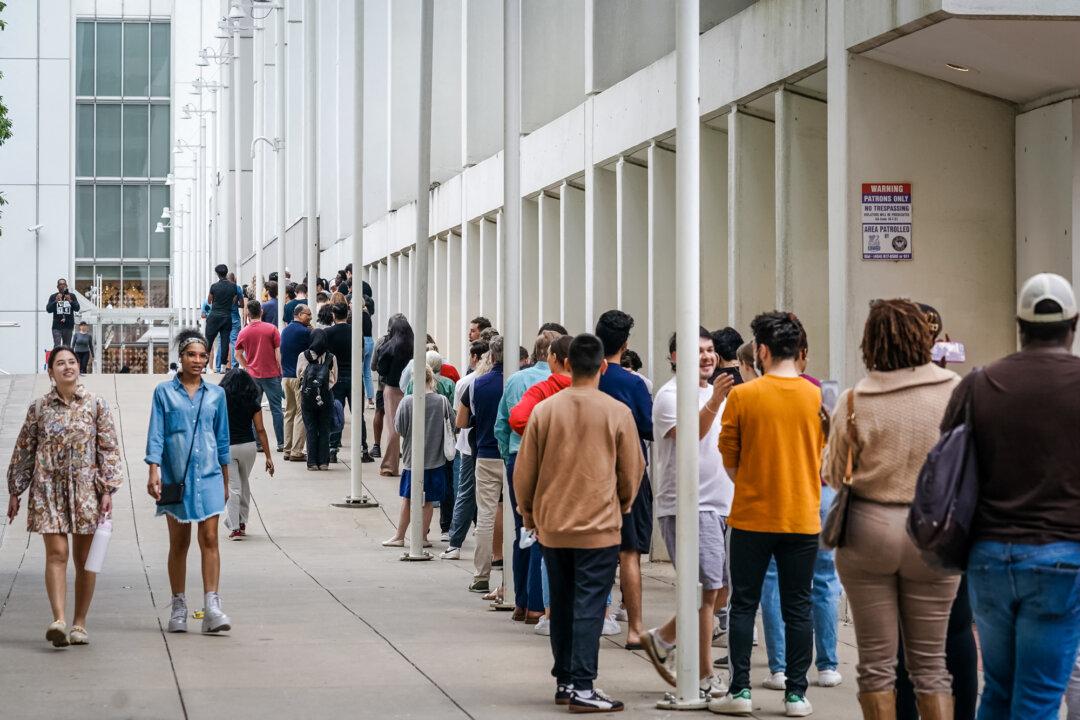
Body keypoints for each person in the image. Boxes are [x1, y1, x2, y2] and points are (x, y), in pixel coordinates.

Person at [940, 273, 1080, 720]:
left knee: (998, 689)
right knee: (1038, 697)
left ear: (1019, 325)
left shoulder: (980, 384)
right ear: (1073, 324)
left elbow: (947, 455)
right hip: (1061, 558)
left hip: (989, 557)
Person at [822, 299, 961, 720]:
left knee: (876, 667)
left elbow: (831, 474)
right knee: (932, 666)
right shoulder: (955, 389)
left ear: (871, 343)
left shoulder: (853, 400)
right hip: (934, 531)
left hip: (868, 529)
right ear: (924, 338)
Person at [514, 333, 645, 713]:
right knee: (589, 603)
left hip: (553, 526)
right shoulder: (617, 412)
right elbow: (631, 472)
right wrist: (620, 505)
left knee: (563, 600)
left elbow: (525, 471)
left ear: (567, 364)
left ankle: (565, 681)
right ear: (603, 366)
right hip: (598, 526)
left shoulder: (546, 410)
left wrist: (529, 512)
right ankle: (584, 686)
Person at [710, 311, 823, 718]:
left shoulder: (743, 396)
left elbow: (730, 458)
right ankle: (796, 694)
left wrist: (754, 482)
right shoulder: (816, 396)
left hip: (751, 516)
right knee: (799, 605)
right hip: (802, 517)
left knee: (743, 604)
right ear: (799, 349)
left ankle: (739, 690)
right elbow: (823, 457)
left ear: (761, 350)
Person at [6, 346, 122, 647]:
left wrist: (107, 488)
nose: (67, 367)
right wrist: (16, 490)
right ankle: (58, 620)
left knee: (85, 560)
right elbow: (24, 450)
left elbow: (108, 449)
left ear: (78, 368)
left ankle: (80, 623)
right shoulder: (39, 408)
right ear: (51, 371)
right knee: (57, 554)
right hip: (48, 489)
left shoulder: (96, 405)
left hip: (86, 490)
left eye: (72, 362)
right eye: (60, 363)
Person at [641, 328, 735, 700]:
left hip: (721, 504)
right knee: (707, 591)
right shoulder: (669, 395)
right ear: (675, 356)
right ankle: (703, 676)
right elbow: (690, 434)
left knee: (723, 590)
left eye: (710, 350)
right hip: (688, 506)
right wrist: (716, 399)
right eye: (697, 351)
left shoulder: (713, 393)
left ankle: (664, 637)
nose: (707, 357)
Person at [758, 325, 844, 692]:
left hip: (775, 494)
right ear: (802, 353)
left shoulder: (756, 393)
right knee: (824, 581)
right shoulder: (824, 392)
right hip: (822, 492)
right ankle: (827, 665)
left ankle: (779, 669)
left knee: (774, 581)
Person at [145, 330, 233, 635]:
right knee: (179, 543)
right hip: (176, 477)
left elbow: (222, 439)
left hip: (209, 474)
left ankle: (212, 606)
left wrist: (226, 480)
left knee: (210, 539)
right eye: (191, 355)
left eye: (202, 355)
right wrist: (153, 469)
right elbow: (157, 433)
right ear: (180, 358)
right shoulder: (164, 392)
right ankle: (179, 604)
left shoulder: (216, 395)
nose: (197, 360)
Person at [494, 330, 562, 622]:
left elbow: (501, 426)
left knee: (522, 527)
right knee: (542, 531)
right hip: (549, 461)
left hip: (517, 459)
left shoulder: (516, 380)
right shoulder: (560, 384)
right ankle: (536, 602)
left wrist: (509, 454)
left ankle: (520, 599)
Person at [594, 309, 652, 649]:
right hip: (629, 473)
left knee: (595, 552)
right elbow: (648, 428)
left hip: (591, 475)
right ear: (625, 344)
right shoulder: (634, 384)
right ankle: (636, 627)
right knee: (629, 552)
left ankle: (598, 616)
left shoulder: (587, 379)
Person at [381, 366, 454, 548]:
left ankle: (399, 536)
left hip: (411, 458)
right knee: (428, 500)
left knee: (408, 498)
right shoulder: (442, 401)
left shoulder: (407, 402)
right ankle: (422, 537)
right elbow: (452, 424)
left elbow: (399, 428)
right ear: (432, 379)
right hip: (436, 459)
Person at [458, 335, 505, 594]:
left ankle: (480, 575)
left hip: (485, 454)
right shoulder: (516, 383)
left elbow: (462, 422)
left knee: (485, 514)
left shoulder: (476, 384)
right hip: (513, 455)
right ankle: (509, 575)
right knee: (514, 514)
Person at [440, 339, 490, 561]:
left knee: (466, 491)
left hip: (469, 446)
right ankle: (487, 540)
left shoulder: (468, 383)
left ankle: (455, 542)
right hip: (494, 446)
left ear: (475, 358)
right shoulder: (505, 381)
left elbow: (459, 420)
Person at [219, 368, 276, 540]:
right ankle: (242, 522)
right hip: (249, 447)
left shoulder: (220, 402)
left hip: (228, 447)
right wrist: (268, 457)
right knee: (244, 484)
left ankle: (235, 527)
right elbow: (260, 429)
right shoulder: (253, 402)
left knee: (233, 487)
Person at [234, 300, 285, 453]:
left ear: (248, 315)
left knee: (253, 410)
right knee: (276, 409)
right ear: (261, 312)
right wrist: (279, 370)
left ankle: (258, 443)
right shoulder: (272, 329)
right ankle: (281, 443)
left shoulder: (244, 332)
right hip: (271, 374)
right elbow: (278, 353)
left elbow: (237, 355)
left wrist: (247, 366)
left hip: (253, 376)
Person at [376, 314, 414, 476]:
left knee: (393, 428)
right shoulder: (415, 345)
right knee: (413, 428)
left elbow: (381, 369)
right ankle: (413, 463)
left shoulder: (389, 346)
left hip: (392, 389)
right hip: (412, 389)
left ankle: (389, 466)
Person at [296, 329, 339, 470]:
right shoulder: (331, 357)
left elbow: (299, 375)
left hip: (307, 397)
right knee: (324, 428)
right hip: (325, 396)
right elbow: (334, 379)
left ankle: (312, 462)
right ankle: (324, 462)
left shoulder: (303, 355)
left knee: (311, 428)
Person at [280, 304, 313, 463]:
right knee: (302, 413)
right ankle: (297, 451)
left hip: (285, 377)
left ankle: (287, 449)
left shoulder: (285, 330)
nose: (310, 317)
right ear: (299, 314)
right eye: (308, 315)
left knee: (289, 413)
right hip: (299, 377)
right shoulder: (305, 332)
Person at [206, 264, 240, 371]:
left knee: (208, 341)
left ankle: (203, 365)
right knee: (225, 341)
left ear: (217, 274)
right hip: (227, 316)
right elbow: (234, 300)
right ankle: (223, 367)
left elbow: (209, 301)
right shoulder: (233, 287)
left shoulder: (214, 286)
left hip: (214, 316)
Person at [46, 278, 80, 347]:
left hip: (68, 326)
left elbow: (77, 308)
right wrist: (55, 301)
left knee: (67, 346)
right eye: (60, 284)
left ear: (66, 286)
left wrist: (70, 300)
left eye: (64, 284)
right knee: (57, 346)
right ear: (57, 287)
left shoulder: (72, 296)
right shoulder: (53, 296)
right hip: (57, 326)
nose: (62, 286)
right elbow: (48, 310)